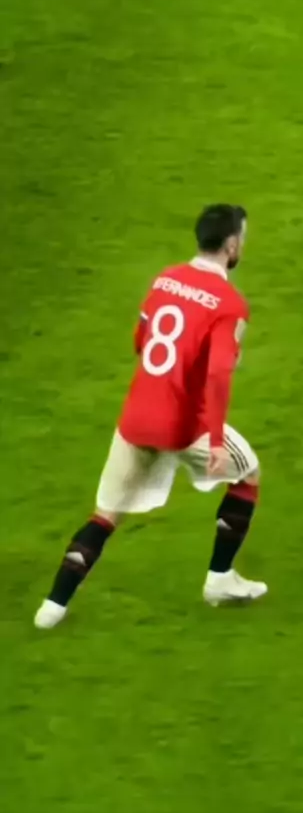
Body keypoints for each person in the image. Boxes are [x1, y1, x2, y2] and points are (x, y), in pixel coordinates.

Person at [34, 204, 267, 629]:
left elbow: (141, 339)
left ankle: (52, 607)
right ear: (232, 244)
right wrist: (215, 441)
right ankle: (219, 579)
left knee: (105, 515)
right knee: (248, 474)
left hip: (136, 417)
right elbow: (218, 375)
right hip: (185, 425)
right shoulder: (229, 304)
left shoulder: (165, 278)